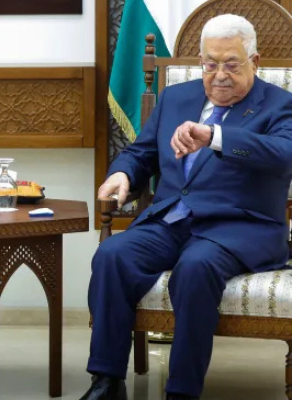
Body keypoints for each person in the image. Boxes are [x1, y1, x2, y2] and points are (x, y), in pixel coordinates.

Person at [82, 14, 292, 400]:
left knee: (195, 268)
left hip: (239, 228)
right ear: (200, 61)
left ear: (255, 61)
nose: (220, 75)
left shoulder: (280, 104)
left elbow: (282, 154)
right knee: (113, 255)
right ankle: (106, 381)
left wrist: (214, 136)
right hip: (172, 220)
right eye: (210, 64)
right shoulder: (176, 98)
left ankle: (181, 391)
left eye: (232, 64)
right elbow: (141, 152)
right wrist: (123, 174)